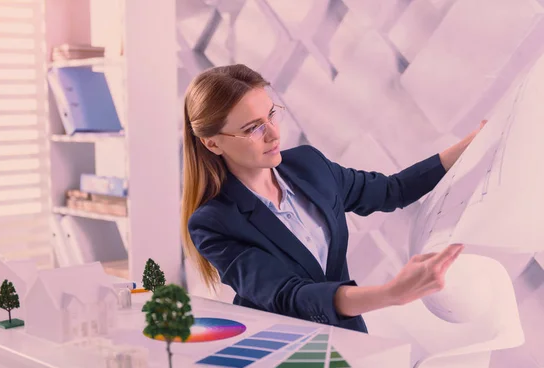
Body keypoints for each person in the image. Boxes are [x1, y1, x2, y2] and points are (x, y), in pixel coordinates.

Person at [180, 64, 484, 333]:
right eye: (253, 128)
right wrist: (390, 293)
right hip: (282, 351)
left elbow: (392, 190)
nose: (273, 134)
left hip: (347, 337)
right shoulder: (213, 223)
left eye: (271, 115)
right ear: (212, 143)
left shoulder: (308, 165)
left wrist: (471, 145)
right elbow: (290, 296)